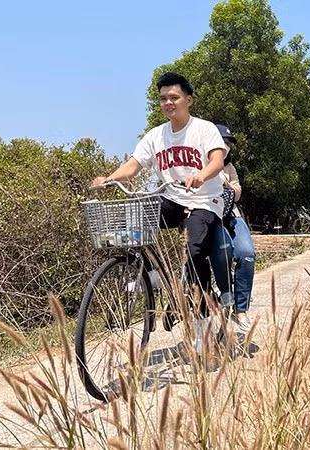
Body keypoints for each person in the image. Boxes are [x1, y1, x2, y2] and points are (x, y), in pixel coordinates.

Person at [91, 72, 227, 353]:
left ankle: (202, 325)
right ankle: (149, 274)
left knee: (195, 249)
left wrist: (201, 175)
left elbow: (217, 159)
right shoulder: (156, 136)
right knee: (135, 217)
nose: (168, 102)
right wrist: (109, 179)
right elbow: (132, 166)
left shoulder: (204, 129)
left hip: (204, 201)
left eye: (174, 97)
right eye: (163, 98)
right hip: (173, 198)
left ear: (188, 100)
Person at [208, 124, 256, 336]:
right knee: (223, 249)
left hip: (230, 215)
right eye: (222, 142)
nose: (225, 147)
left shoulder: (229, 167)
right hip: (209, 215)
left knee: (246, 254)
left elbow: (237, 192)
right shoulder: (200, 163)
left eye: (228, 144)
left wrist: (228, 184)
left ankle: (240, 309)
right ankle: (224, 290)